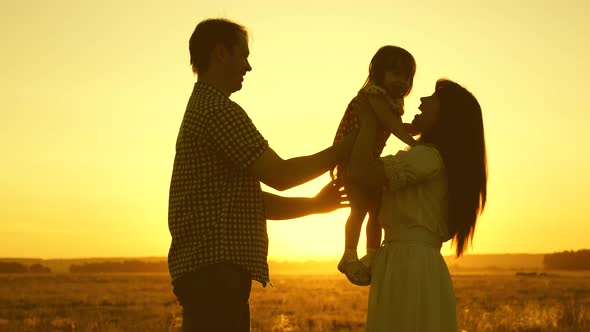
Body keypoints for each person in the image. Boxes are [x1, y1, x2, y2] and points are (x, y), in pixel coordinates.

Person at [167, 18, 355, 332]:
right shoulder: (218, 110)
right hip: (216, 274)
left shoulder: (205, 109)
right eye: (243, 55)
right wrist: (345, 148)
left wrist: (314, 205)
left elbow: (251, 202)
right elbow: (280, 174)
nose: (248, 66)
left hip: (213, 275)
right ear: (221, 54)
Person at [348, 79, 488, 331]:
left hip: (409, 265)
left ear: (446, 115)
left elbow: (360, 171)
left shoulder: (427, 158)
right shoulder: (429, 157)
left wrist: (371, 120)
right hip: (409, 263)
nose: (422, 100)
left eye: (433, 97)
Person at [332, 46, 417, 284]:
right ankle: (349, 254)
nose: (402, 81)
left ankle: (372, 255)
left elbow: (393, 125)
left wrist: (413, 130)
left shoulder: (391, 100)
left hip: (369, 161)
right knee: (358, 208)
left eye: (407, 76)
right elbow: (390, 124)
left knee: (376, 211)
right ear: (380, 73)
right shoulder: (373, 95)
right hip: (352, 161)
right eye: (395, 73)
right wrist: (414, 143)